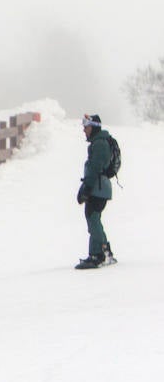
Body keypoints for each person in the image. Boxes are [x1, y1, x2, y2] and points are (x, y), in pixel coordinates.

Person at [75, 113, 116, 270]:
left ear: (93, 127)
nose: (84, 130)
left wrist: (86, 188)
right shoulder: (99, 142)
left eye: (86, 127)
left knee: (93, 219)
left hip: (98, 188)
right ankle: (102, 253)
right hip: (99, 187)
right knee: (93, 219)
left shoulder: (99, 144)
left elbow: (95, 168)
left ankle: (99, 255)